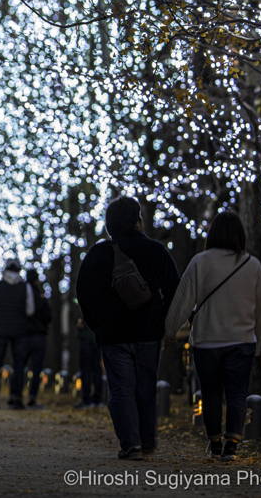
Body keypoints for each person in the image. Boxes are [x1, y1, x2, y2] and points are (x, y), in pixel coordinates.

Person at [76, 196, 180, 460]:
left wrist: (97, 325)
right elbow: (175, 290)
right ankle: (146, 443)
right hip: (148, 333)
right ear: (137, 222)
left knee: (121, 389)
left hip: (113, 335)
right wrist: (165, 324)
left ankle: (130, 445)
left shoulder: (98, 254)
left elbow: (83, 293)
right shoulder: (156, 251)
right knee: (146, 387)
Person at [164, 210, 261, 462]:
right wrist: (259, 343)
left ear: (213, 234)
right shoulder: (253, 265)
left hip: (206, 341)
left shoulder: (200, 261)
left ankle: (215, 442)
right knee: (236, 394)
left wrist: (169, 331)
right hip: (242, 341)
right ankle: (232, 446)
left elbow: (182, 301)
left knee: (210, 393)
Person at [0, 259, 34, 410]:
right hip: (19, 331)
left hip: (0, 330)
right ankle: (16, 397)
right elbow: (30, 310)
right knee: (18, 366)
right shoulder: (26, 287)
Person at [23, 268, 52, 410]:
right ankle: (32, 398)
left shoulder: (22, 294)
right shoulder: (40, 296)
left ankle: (15, 396)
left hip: (24, 335)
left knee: (20, 366)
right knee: (36, 369)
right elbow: (49, 316)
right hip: (39, 335)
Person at [74, 317, 103, 409]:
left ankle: (87, 399)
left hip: (87, 337)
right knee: (97, 369)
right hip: (97, 337)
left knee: (86, 370)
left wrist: (82, 321)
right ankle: (98, 399)